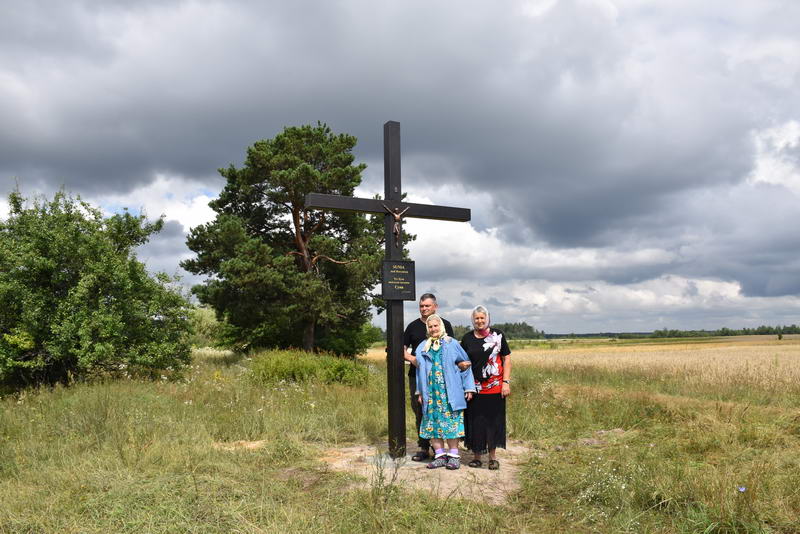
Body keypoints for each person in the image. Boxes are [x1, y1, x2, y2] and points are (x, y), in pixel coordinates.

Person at [403, 293, 464, 461]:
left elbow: (453, 349)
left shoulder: (445, 325)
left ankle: (447, 451)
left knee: (446, 412)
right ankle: (424, 447)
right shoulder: (412, 327)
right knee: (421, 410)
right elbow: (401, 348)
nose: (424, 309)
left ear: (435, 306)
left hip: (443, 379)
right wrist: (413, 359)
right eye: (421, 306)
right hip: (418, 377)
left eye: (427, 306)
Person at [415, 314, 475, 469]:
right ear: (427, 329)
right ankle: (440, 455)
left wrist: (469, 387)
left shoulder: (451, 343)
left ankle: (454, 456)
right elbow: (419, 372)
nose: (433, 329)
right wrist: (420, 392)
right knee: (432, 424)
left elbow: (466, 364)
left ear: (440, 326)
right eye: (430, 326)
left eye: (436, 325)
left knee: (451, 424)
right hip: (431, 393)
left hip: (449, 393)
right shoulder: (422, 347)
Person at [461, 305, 511, 470]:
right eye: (476, 318)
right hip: (474, 388)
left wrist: (506, 382)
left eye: (482, 318)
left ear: (487, 319)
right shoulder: (467, 338)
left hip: (495, 388)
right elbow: (461, 361)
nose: (479, 321)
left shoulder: (498, 335)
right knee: (475, 421)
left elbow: (507, 359)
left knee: (493, 422)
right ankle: (476, 457)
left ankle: (492, 457)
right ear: (472, 320)